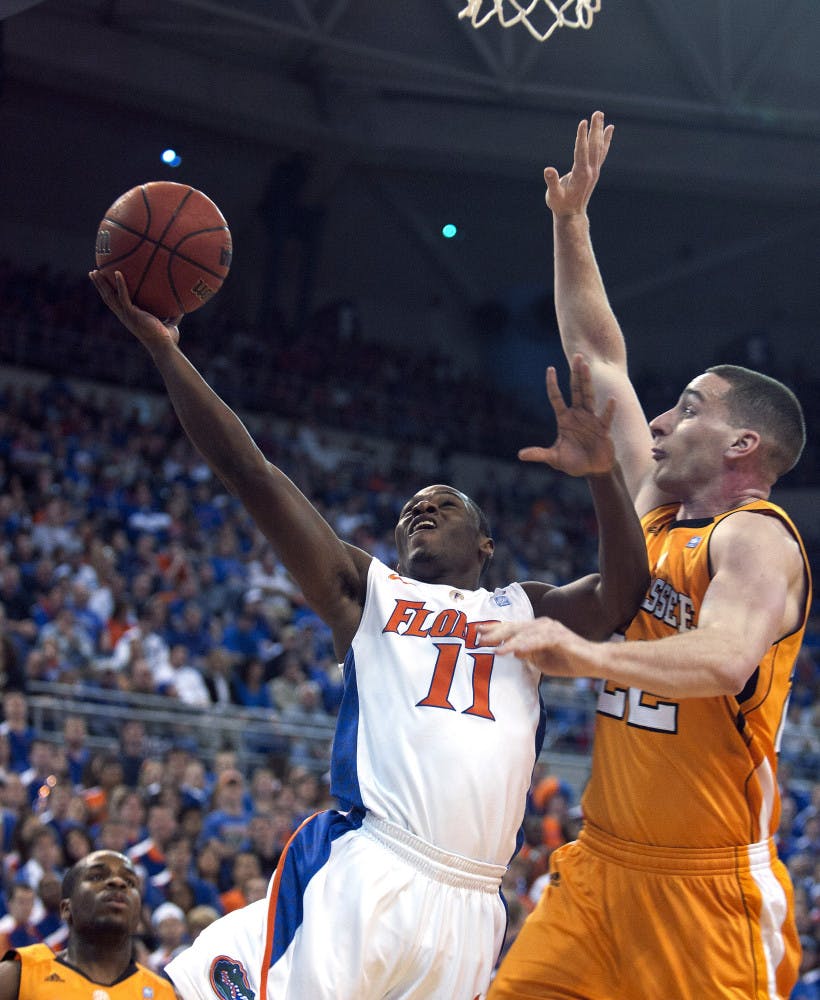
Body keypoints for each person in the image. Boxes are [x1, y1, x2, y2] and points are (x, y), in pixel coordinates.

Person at [88, 268, 648, 999]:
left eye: (444, 504)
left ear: (485, 545)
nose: (421, 510)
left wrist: (605, 476)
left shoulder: (526, 607)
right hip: (371, 863)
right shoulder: (369, 592)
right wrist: (165, 351)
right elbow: (249, 473)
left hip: (476, 901)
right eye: (411, 507)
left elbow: (623, 596)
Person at [484, 112, 813, 1000]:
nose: (660, 421)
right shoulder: (656, 504)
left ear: (744, 444)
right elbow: (599, 359)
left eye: (688, 407)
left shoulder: (759, 540)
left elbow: (723, 657)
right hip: (599, 868)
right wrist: (571, 224)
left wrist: (589, 655)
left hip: (706, 891)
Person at [0, 850, 178, 999]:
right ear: (66, 909)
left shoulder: (162, 993)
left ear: (137, 913)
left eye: (130, 882)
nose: (118, 882)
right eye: (96, 876)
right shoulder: (23, 972)